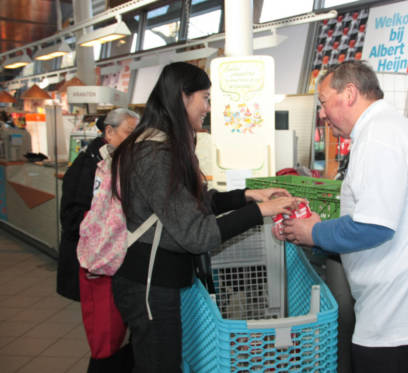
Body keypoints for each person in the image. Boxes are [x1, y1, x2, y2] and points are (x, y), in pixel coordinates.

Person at [110, 62, 301, 373]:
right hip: (148, 283)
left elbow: (195, 203)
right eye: (205, 98)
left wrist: (247, 196)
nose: (208, 108)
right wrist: (258, 213)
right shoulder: (155, 154)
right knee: (159, 365)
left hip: (157, 280)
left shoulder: (163, 146)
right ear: (184, 97)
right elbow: (197, 233)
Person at [282, 60, 408, 373]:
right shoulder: (384, 129)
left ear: (349, 93)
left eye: (324, 103)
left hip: (398, 305)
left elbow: (373, 225)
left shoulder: (379, 137)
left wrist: (315, 233)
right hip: (402, 295)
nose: (322, 114)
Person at [56, 108, 139, 372]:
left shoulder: (119, 162)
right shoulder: (91, 165)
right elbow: (73, 218)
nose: (134, 140)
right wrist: (106, 233)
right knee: (106, 340)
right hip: (95, 265)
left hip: (112, 263)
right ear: (109, 132)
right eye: (129, 133)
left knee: (118, 337)